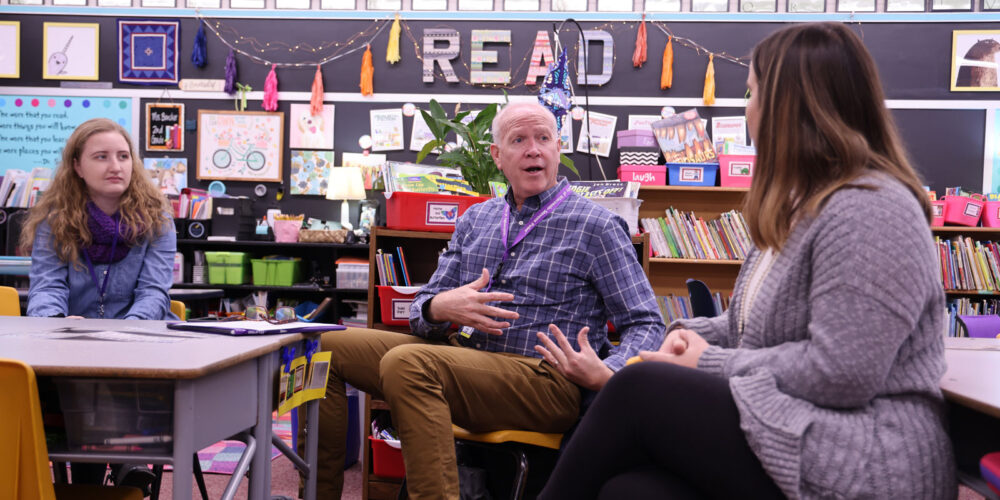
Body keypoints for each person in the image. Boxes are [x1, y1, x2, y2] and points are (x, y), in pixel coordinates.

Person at [539, 22, 957, 500]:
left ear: (789, 108)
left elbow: (843, 373)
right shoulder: (796, 206)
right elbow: (754, 329)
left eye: (752, 92)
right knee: (629, 491)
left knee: (638, 390)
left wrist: (709, 362)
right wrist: (687, 337)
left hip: (864, 457)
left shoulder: (872, 208)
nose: (747, 106)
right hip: (797, 426)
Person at [315, 101, 665, 498]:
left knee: (408, 363)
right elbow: (422, 308)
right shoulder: (475, 220)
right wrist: (439, 307)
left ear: (557, 149)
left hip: (544, 379)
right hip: (463, 359)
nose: (534, 149)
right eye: (519, 140)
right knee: (325, 346)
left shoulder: (597, 225)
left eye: (544, 139)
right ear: (498, 156)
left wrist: (608, 372)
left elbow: (647, 322)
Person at [21, 117, 177, 492]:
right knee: (74, 381)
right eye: (102, 156)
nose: (116, 166)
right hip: (72, 346)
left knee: (117, 378)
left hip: (140, 344)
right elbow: (46, 288)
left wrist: (123, 331)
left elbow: (155, 293)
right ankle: (115, 473)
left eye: (123, 156)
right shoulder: (53, 221)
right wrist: (55, 323)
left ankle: (120, 470)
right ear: (77, 166)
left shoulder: (158, 219)